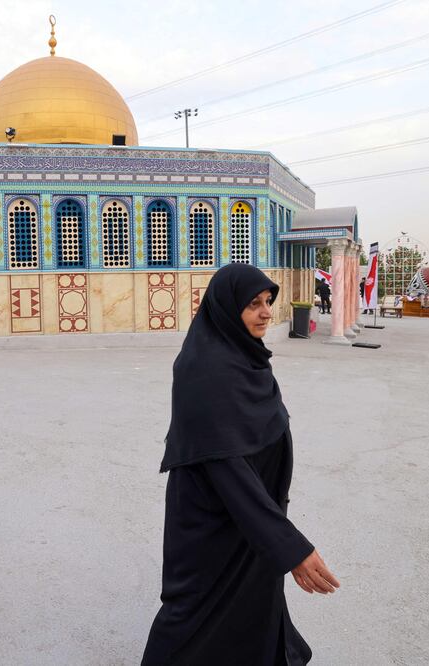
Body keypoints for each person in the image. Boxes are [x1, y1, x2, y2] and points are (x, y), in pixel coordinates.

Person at [142, 264, 339, 666]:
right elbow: (226, 467)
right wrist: (288, 545)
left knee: (251, 607)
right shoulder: (205, 370)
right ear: (227, 308)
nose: (266, 312)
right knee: (194, 614)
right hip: (213, 523)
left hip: (252, 519)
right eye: (253, 304)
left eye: (268, 302)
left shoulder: (248, 359)